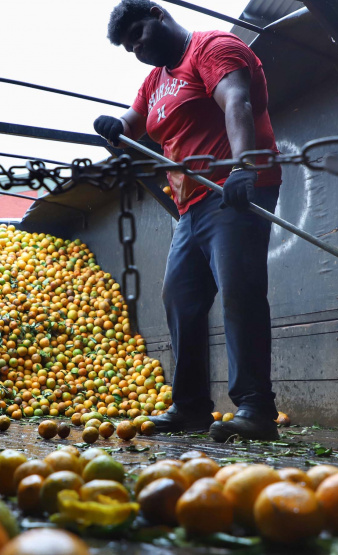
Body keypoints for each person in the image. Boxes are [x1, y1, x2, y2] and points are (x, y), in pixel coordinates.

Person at [93, 0, 284, 441]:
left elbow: (236, 101)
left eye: (137, 36)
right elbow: (130, 126)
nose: (137, 50)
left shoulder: (212, 48)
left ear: (158, 14)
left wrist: (243, 167)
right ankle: (191, 407)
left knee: (240, 293)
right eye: (129, 48)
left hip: (232, 191)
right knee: (180, 298)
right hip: (190, 206)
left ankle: (256, 408)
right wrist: (112, 128)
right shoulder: (153, 82)